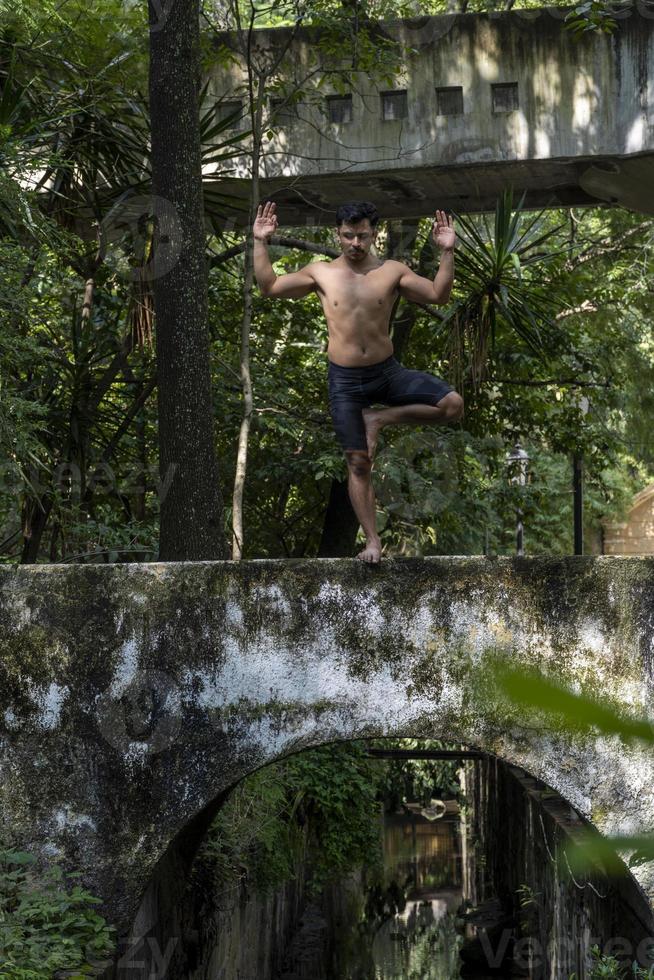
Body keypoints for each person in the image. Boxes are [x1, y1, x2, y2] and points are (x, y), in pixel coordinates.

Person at [252, 199, 464, 563]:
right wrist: (260, 242)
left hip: (387, 373)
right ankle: (372, 542)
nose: (355, 243)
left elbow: (439, 295)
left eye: (362, 236)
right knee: (358, 462)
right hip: (345, 382)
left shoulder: (392, 271)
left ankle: (378, 418)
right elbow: (269, 287)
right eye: (348, 235)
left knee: (452, 405)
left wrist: (447, 251)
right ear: (338, 234)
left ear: (374, 234)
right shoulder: (320, 273)